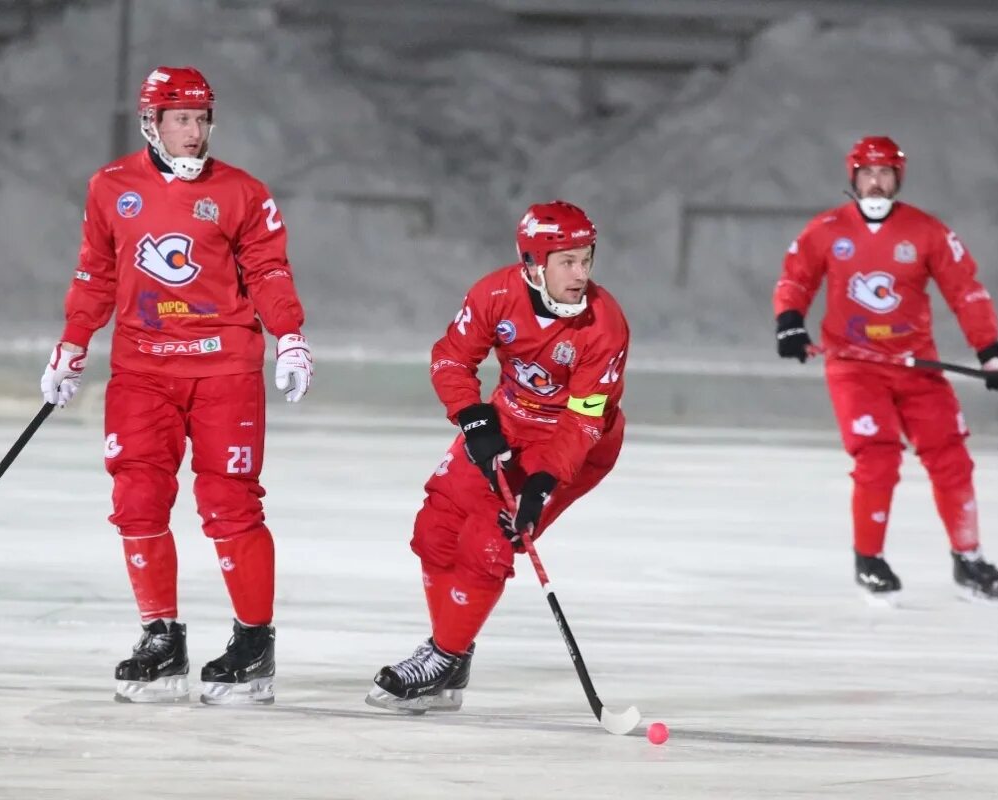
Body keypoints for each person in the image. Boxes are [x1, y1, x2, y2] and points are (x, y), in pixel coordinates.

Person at [39, 66, 313, 704]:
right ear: (152, 123)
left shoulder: (243, 192)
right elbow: (95, 273)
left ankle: (253, 646)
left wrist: (290, 336)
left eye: (200, 119)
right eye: (180, 119)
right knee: (136, 499)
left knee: (230, 505)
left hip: (225, 369)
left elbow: (269, 270)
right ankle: (160, 639)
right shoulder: (110, 187)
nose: (193, 132)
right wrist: (73, 343)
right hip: (141, 371)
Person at [365, 200, 630, 712]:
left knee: (490, 539)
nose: (580, 275)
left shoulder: (605, 326)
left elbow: (584, 420)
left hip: (575, 442)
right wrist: (473, 415)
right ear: (534, 265)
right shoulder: (496, 293)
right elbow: (451, 358)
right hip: (507, 420)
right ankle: (452, 654)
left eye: (586, 260)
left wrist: (543, 485)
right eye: (567, 262)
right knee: (436, 526)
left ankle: (442, 656)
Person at [772, 135, 998, 607]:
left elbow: (965, 290)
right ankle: (870, 560)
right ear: (853, 177)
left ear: (898, 178)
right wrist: (790, 324)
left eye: (885, 173)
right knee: (878, 458)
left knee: (952, 458)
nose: (876, 182)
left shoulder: (926, 231)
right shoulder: (826, 229)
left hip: (917, 366)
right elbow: (796, 277)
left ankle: (969, 560)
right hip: (854, 366)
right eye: (867, 173)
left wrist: (990, 350)